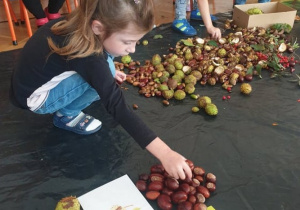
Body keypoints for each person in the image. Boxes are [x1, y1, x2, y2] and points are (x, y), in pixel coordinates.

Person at [9, 0, 192, 180]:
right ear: (97, 27)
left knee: (107, 68)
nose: (133, 49)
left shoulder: (79, 24)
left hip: (28, 85)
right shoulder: (89, 58)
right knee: (105, 71)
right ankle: (66, 115)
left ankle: (79, 94)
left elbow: (87, 63)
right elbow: (116, 105)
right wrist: (166, 153)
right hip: (35, 98)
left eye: (136, 41)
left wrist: (105, 71)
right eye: (128, 41)